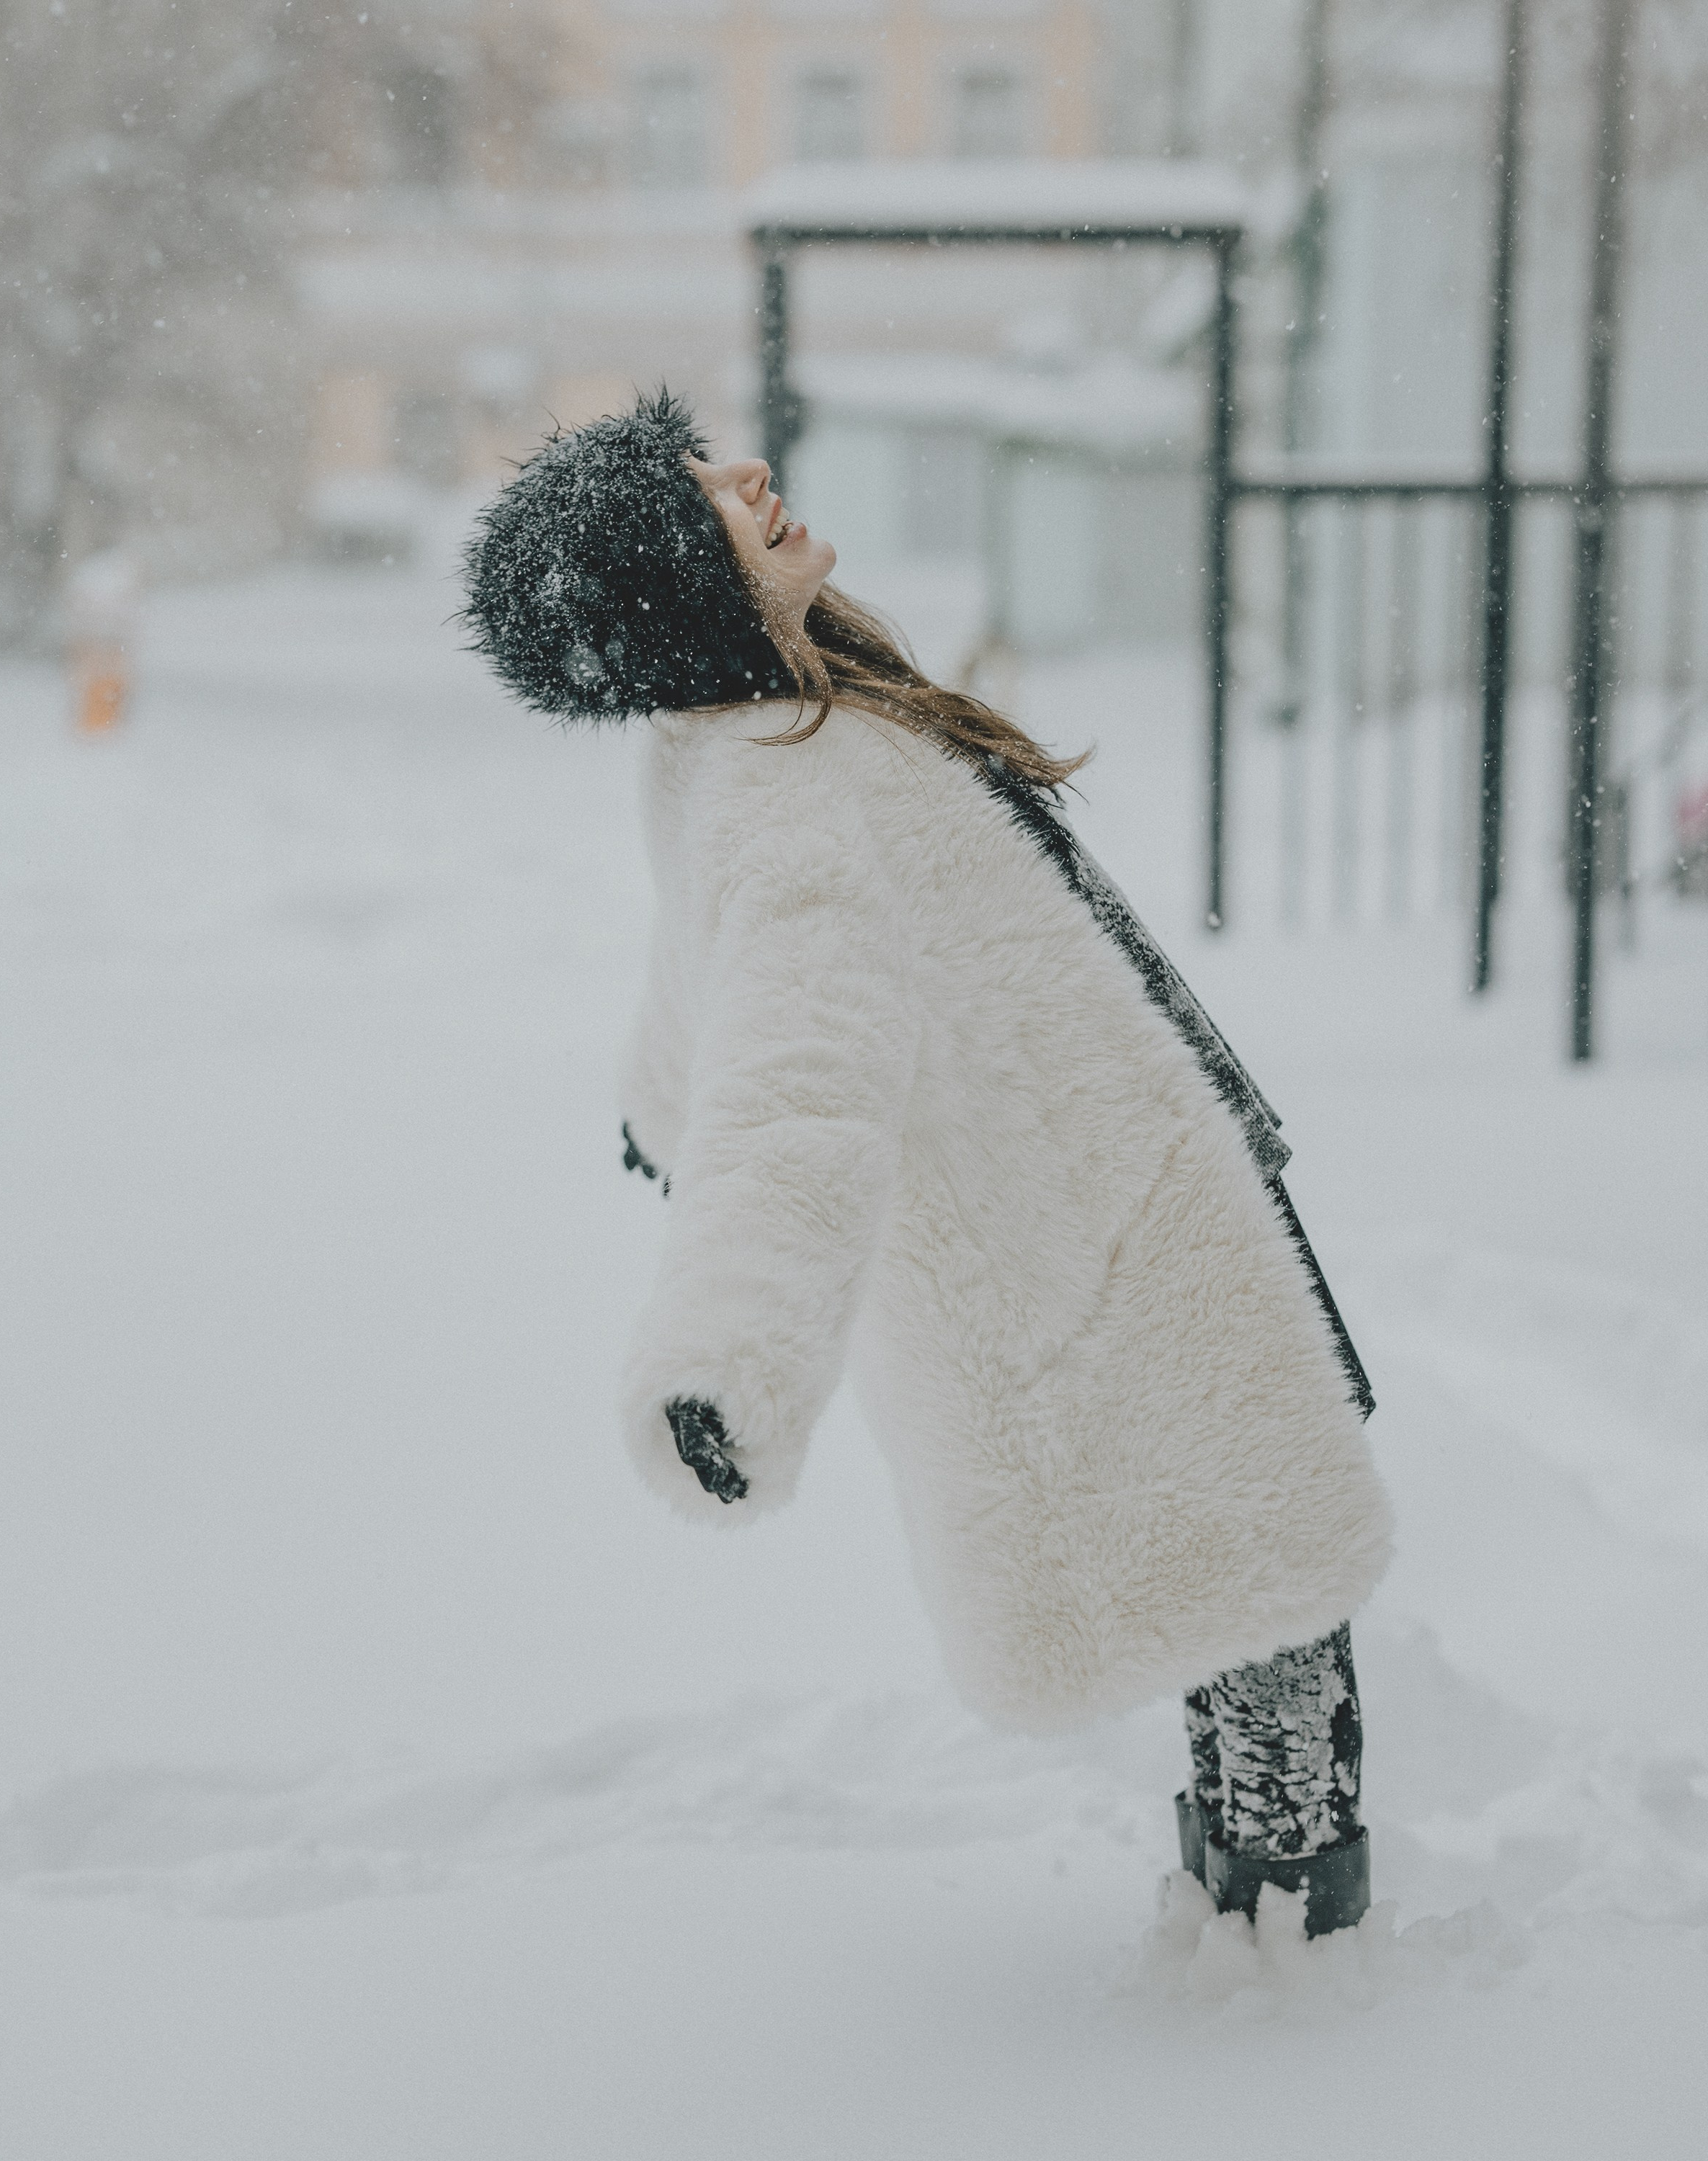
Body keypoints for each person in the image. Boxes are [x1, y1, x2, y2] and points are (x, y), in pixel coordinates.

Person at [462, 391, 1393, 1937]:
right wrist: (731, 1353)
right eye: (711, 496)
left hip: (1121, 1186)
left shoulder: (745, 741)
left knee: (1254, 1571)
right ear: (678, 587)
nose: (750, 476)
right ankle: (1291, 1947)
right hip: (1088, 1240)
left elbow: (705, 999)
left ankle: (1264, 1917)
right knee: (1268, 1589)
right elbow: (793, 1082)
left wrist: (654, 1107)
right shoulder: (791, 779)